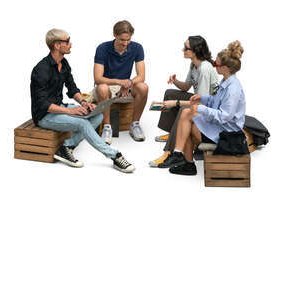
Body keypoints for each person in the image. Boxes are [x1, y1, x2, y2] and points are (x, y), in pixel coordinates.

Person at [30, 28, 135, 173]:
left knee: (98, 114)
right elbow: (43, 104)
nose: (70, 44)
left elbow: (72, 88)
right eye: (67, 41)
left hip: (60, 107)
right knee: (82, 122)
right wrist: (70, 110)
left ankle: (66, 147)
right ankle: (114, 156)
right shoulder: (41, 70)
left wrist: (84, 102)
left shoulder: (64, 63)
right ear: (56, 45)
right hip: (44, 116)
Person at [163, 41, 245, 175]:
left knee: (187, 115)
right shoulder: (226, 81)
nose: (214, 66)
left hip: (228, 135)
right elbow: (216, 102)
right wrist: (203, 98)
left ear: (225, 68)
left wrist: (200, 109)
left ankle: (182, 158)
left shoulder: (233, 89)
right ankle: (181, 157)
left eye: (216, 64)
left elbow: (224, 116)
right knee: (187, 118)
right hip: (220, 127)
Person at [149, 35, 218, 167]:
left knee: (183, 109)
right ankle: (172, 133)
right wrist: (175, 81)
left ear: (195, 51)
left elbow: (201, 102)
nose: (183, 50)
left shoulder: (204, 68)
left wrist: (176, 103)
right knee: (170, 94)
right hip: (199, 101)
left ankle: (169, 152)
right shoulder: (194, 64)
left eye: (186, 48)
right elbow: (186, 87)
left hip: (208, 108)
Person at [92, 20, 148, 145]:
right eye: (122, 40)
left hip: (125, 88)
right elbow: (98, 78)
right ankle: (107, 127)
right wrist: (119, 82)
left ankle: (135, 124)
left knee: (143, 87)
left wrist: (128, 82)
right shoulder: (102, 48)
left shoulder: (137, 48)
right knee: (102, 88)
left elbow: (141, 76)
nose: (125, 43)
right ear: (114, 35)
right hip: (107, 87)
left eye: (128, 40)